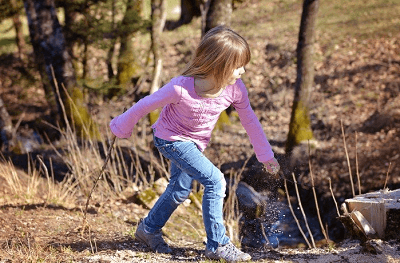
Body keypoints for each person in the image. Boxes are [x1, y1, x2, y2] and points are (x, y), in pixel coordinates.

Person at [109, 25, 280, 262]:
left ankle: (147, 230)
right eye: (238, 65)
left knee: (179, 191)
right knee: (215, 180)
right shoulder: (181, 87)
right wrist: (121, 126)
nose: (243, 71)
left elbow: (250, 121)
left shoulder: (235, 90)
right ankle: (218, 244)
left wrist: (266, 156)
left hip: (195, 144)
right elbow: (145, 104)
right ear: (218, 64)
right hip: (170, 140)